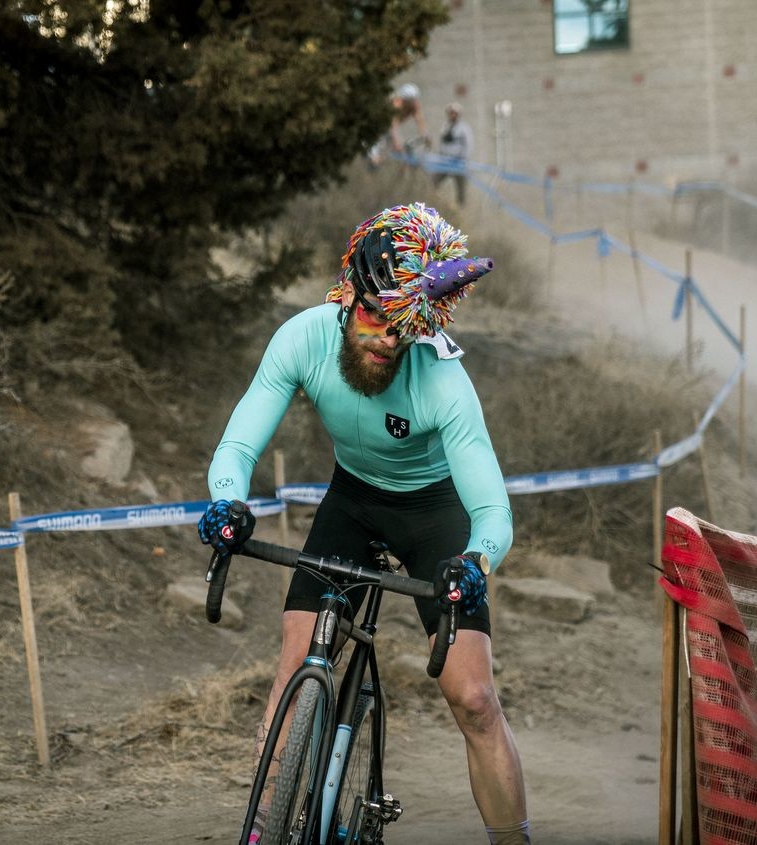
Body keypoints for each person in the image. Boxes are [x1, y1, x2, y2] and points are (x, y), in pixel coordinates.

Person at [198, 203, 531, 845]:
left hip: (435, 513)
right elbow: (238, 448)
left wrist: (477, 560)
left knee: (475, 701)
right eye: (376, 317)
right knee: (295, 670)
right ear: (348, 295)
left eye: (402, 327)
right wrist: (228, 502)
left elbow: (491, 510)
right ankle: (263, 833)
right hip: (352, 501)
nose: (386, 339)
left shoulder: (442, 381)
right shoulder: (304, 338)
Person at [437, 101, 475, 204]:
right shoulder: (445, 127)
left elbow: (468, 145)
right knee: (434, 181)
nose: (452, 115)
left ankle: (461, 208)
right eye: (451, 112)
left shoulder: (464, 128)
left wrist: (463, 160)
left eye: (454, 113)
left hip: (459, 163)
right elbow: (442, 144)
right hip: (445, 163)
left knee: (461, 189)